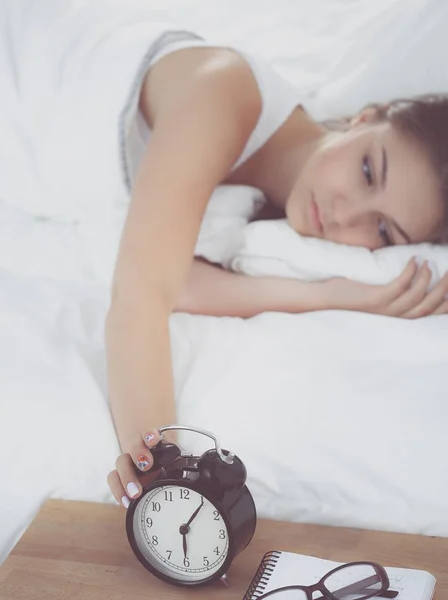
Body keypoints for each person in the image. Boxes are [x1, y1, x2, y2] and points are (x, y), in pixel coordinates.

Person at [106, 29, 448, 509]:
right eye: (368, 171)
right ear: (363, 119)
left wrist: (331, 294)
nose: (344, 213)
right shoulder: (223, 93)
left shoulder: (263, 212)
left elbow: (180, 282)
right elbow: (143, 290)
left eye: (383, 231)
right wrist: (160, 455)